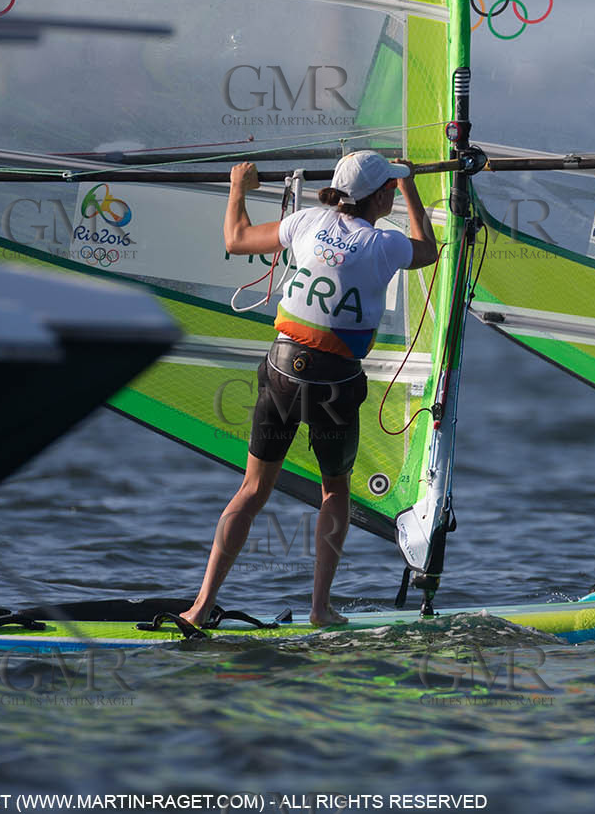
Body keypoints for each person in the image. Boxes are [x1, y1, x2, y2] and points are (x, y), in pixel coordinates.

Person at [182, 151, 438, 627]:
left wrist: (239, 185)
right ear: (381, 194)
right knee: (334, 491)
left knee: (254, 489)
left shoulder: (304, 223)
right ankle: (320, 609)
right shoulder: (385, 244)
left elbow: (235, 239)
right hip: (334, 383)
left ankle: (199, 607)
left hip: (282, 370)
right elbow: (429, 249)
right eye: (390, 188)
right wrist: (411, 188)